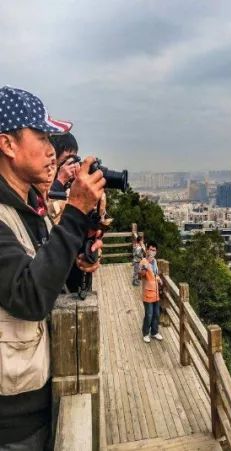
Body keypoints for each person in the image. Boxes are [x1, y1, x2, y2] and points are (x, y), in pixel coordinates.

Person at [0, 86, 104, 449]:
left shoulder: (28, 208)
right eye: (42, 137)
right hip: (11, 422)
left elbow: (47, 281)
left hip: (41, 395)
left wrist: (78, 262)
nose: (51, 151)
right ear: (7, 145)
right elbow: (28, 297)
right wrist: (74, 213)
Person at [139, 241, 163, 343]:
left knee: (156, 314)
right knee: (149, 314)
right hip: (148, 293)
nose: (152, 252)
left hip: (156, 292)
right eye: (151, 249)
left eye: (154, 250)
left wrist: (159, 279)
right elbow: (141, 274)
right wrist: (146, 265)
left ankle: (154, 332)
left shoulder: (155, 262)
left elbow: (155, 274)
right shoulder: (143, 261)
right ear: (147, 250)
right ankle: (145, 333)